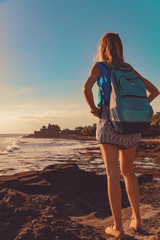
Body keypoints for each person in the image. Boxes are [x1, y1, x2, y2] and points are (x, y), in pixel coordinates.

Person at [83, 32, 159, 239]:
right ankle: (137, 219)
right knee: (129, 171)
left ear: (103, 47)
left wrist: (94, 109)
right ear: (120, 47)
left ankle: (118, 226)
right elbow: (154, 90)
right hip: (131, 126)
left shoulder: (99, 67)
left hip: (109, 121)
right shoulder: (129, 69)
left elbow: (86, 88)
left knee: (112, 174)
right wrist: (135, 108)